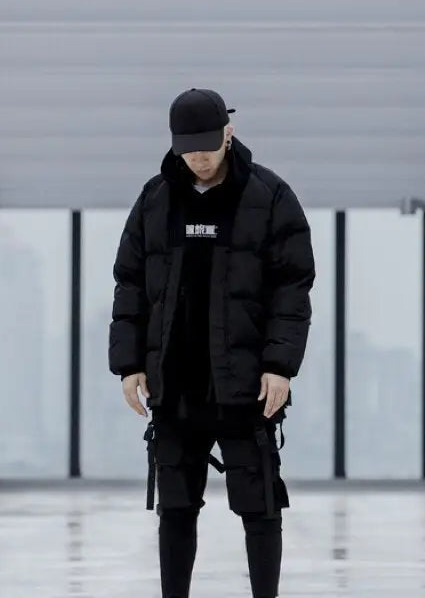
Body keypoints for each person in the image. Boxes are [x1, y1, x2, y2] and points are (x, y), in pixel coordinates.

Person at [108, 88, 316, 598]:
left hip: (247, 387)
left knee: (260, 502)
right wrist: (128, 365)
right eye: (187, 146)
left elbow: (293, 286)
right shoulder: (155, 199)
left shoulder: (270, 196)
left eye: (206, 143)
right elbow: (130, 284)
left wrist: (280, 365)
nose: (197, 156)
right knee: (175, 507)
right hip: (175, 385)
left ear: (229, 132)